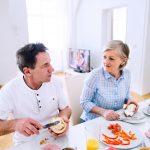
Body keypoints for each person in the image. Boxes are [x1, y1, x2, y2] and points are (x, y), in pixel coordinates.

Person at [0, 43, 72, 145]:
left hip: (55, 138)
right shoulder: (9, 90)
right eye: (45, 65)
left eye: (50, 63)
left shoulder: (55, 81)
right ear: (27, 71)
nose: (52, 69)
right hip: (25, 143)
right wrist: (14, 124)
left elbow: (66, 109)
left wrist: (63, 119)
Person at [80, 40, 138, 122]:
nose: (106, 62)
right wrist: (103, 112)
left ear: (123, 61)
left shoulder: (127, 74)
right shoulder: (95, 75)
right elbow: (84, 102)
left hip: (115, 120)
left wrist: (130, 102)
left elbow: (127, 96)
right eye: (104, 57)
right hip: (92, 121)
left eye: (111, 58)